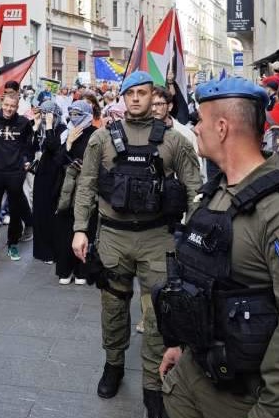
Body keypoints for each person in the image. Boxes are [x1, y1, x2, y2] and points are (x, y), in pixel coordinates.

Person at [157, 76, 279, 418]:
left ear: (222, 127)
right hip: (194, 376)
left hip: (244, 399)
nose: (195, 128)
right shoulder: (214, 193)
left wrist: (269, 412)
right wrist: (183, 348)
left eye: (200, 121)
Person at [72, 70, 202, 417]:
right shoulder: (102, 139)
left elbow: (194, 189)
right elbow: (85, 184)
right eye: (129, 93)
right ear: (122, 97)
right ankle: (113, 364)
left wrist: (196, 237)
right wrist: (80, 229)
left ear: (152, 96)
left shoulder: (175, 141)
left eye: (142, 93)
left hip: (157, 239)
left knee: (159, 313)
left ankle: (153, 383)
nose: (135, 98)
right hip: (113, 236)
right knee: (112, 308)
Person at [0, 90, 35, 261]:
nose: (9, 109)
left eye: (12, 106)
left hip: (15, 173)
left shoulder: (24, 123)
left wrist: (27, 159)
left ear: (17, 106)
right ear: (1, 103)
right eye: (6, 105)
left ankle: (13, 244)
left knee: (15, 210)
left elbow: (29, 144)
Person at [55, 99, 97, 285]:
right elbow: (57, 161)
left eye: (78, 114)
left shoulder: (96, 134)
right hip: (66, 191)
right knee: (65, 231)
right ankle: (65, 269)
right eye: (71, 114)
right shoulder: (67, 132)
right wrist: (68, 144)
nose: (74, 118)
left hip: (86, 190)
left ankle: (82, 270)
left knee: (84, 228)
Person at [30, 101, 66, 264]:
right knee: (39, 212)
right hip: (42, 175)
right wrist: (36, 126)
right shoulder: (43, 128)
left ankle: (52, 251)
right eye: (43, 113)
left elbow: (53, 147)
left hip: (55, 176)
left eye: (48, 113)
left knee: (51, 213)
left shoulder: (62, 129)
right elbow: (30, 147)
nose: (45, 117)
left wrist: (50, 126)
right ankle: (42, 250)